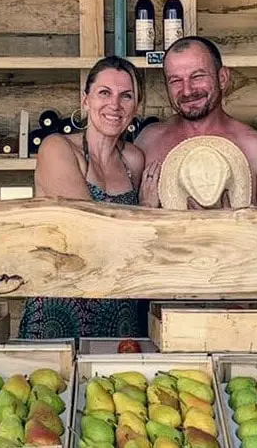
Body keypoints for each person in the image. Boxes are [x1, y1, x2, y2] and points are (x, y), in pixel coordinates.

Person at [18, 55, 159, 340]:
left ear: (136, 107)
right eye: (104, 93)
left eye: (126, 96)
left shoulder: (133, 160)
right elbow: (88, 232)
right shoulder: (57, 148)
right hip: (60, 305)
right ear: (85, 100)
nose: (114, 105)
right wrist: (146, 209)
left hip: (120, 307)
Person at [135, 36, 257, 208]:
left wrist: (234, 222)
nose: (187, 91)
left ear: (223, 78)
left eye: (197, 76)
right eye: (175, 81)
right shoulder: (149, 140)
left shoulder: (256, 147)